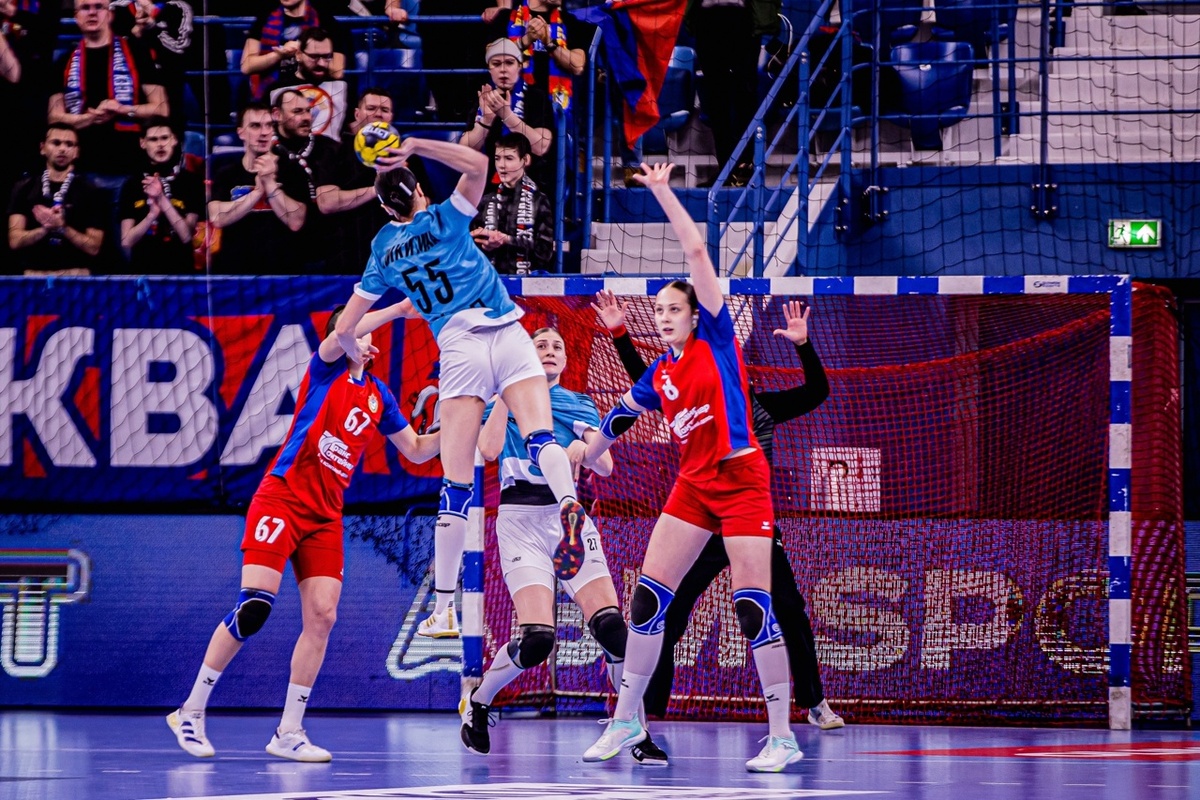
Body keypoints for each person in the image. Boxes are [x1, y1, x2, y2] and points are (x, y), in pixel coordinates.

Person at [581, 162, 801, 772]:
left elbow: (698, 251)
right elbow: (620, 416)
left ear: (695, 312)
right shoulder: (661, 371)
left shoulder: (715, 340)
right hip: (693, 487)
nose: (663, 317)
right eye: (658, 311)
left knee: (753, 607)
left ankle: (782, 735)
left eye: (673, 309)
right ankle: (627, 720)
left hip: (742, 481)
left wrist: (660, 191)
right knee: (647, 603)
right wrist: (590, 455)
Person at [332, 136, 586, 641]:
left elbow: (345, 327)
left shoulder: (382, 249)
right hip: (507, 331)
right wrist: (414, 144)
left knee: (456, 484)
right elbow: (478, 164)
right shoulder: (445, 218)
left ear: (384, 207)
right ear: (419, 191)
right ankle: (566, 502)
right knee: (540, 436)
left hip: (459, 348)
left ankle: (445, 608)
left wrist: (354, 346)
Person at [167, 301, 441, 762]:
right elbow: (344, 334)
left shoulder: (378, 394)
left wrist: (461, 425)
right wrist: (398, 309)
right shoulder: (325, 369)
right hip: (282, 497)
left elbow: (414, 450)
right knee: (255, 607)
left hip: (325, 515)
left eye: (368, 335)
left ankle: (288, 732)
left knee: (323, 616)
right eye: (357, 332)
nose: (366, 340)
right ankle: (190, 711)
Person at [592, 289, 845, 738]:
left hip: (749, 518)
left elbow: (817, 392)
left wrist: (804, 345)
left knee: (787, 608)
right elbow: (649, 385)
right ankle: (645, 711)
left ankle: (813, 703)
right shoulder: (690, 390)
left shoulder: (762, 405)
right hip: (701, 521)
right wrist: (620, 334)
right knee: (665, 609)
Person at [461, 326, 666, 765]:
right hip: (520, 521)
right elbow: (490, 450)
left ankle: (636, 730)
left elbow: (604, 464)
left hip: (566, 519)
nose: (550, 351)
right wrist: (506, 394)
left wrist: (580, 447)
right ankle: (479, 700)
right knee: (538, 640)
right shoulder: (505, 400)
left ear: (566, 360)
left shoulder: (577, 402)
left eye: (556, 346)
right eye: (540, 345)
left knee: (613, 630)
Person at [47, 0, 168, 178]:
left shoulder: (137, 52)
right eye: (85, 8)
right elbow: (54, 117)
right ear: (76, 17)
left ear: (110, 14)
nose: (92, 13)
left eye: (98, 7)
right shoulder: (63, 62)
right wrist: (86, 119)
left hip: (131, 164)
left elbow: (161, 108)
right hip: (82, 168)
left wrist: (122, 109)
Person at [207, 101, 309, 274]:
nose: (264, 132)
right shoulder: (226, 173)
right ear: (241, 132)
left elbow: (296, 222)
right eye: (255, 126)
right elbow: (217, 218)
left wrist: (269, 183)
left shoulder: (292, 169)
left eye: (269, 125)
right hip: (236, 272)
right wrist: (258, 192)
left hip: (283, 273)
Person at [6, 123, 104, 276]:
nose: (62, 149)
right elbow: (15, 241)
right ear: (42, 148)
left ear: (76, 152)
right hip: (34, 277)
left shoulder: (90, 191)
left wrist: (62, 227)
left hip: (75, 278)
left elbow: (93, 247)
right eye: (56, 143)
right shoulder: (24, 187)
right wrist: (46, 228)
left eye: (69, 144)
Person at [461, 38, 554, 194]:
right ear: (489, 69)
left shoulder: (536, 97)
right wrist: (485, 122)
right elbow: (465, 150)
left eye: (509, 63)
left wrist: (508, 116)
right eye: (496, 64)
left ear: (520, 66)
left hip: (532, 185)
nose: (503, 69)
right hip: (488, 187)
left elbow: (541, 146)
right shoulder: (484, 98)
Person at [118, 117, 203, 274]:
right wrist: (151, 215)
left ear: (174, 140)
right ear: (143, 143)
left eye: (164, 138)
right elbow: (127, 241)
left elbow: (186, 236)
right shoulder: (132, 184)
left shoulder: (191, 182)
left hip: (181, 272)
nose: (160, 144)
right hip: (143, 272)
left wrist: (162, 199)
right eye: (153, 139)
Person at [470, 132, 554, 275]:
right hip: (489, 281)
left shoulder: (540, 201)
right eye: (497, 159)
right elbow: (469, 249)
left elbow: (544, 252)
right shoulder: (486, 200)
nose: (501, 165)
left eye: (509, 158)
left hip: (529, 283)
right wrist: (484, 244)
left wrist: (507, 240)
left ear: (525, 160)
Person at [241, 0, 348, 101]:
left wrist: (307, 52)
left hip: (313, 95)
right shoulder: (265, 19)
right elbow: (246, 66)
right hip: (272, 93)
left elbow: (337, 71)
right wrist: (279, 55)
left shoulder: (325, 21)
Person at [270, 27, 348, 143]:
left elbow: (353, 126)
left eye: (326, 56)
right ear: (299, 55)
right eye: (314, 57)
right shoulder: (276, 90)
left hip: (330, 153)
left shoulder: (342, 87)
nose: (321, 63)